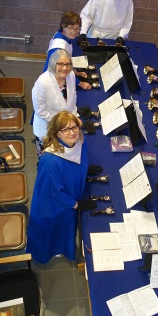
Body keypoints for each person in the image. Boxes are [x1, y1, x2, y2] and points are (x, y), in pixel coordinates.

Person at [27, 111, 98, 264]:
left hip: (69, 198)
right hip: (54, 208)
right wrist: (76, 204)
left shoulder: (79, 142)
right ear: (56, 133)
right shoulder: (51, 161)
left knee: (67, 229)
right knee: (55, 233)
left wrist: (84, 169)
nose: (71, 133)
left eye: (74, 127)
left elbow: (76, 162)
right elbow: (53, 193)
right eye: (65, 129)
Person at [32, 50, 77, 157]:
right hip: (47, 130)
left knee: (62, 156)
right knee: (47, 159)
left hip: (65, 129)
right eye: (60, 64)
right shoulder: (42, 82)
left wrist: (74, 117)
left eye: (67, 64)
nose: (65, 68)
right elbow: (41, 112)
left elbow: (73, 99)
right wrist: (63, 123)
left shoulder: (71, 75)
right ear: (53, 64)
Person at [43, 11, 91, 90]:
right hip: (53, 82)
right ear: (63, 26)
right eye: (72, 28)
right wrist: (80, 83)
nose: (75, 32)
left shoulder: (62, 35)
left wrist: (76, 72)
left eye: (77, 28)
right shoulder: (59, 47)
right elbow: (62, 71)